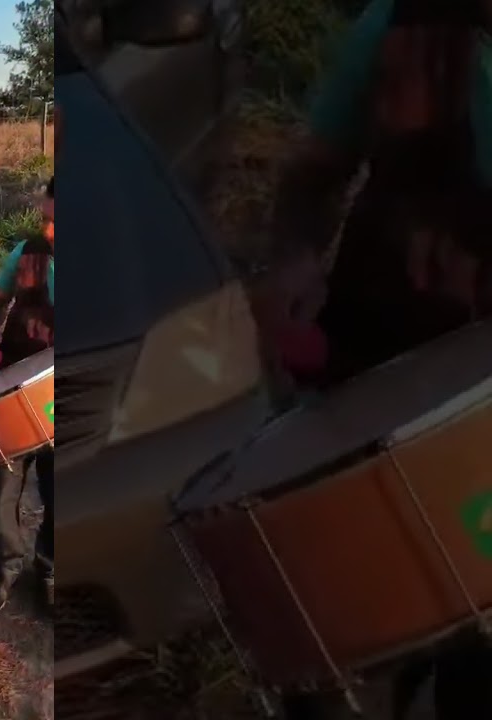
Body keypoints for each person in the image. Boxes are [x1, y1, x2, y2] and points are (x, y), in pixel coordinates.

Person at [257, 0, 492, 716]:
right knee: (341, 605)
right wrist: (295, 258)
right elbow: (311, 178)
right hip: (381, 359)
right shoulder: (395, 27)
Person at [0, 177, 55, 613]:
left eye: (55, 223)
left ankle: (49, 569)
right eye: (44, 219)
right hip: (14, 386)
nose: (45, 232)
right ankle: (6, 568)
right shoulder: (26, 252)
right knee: (4, 486)